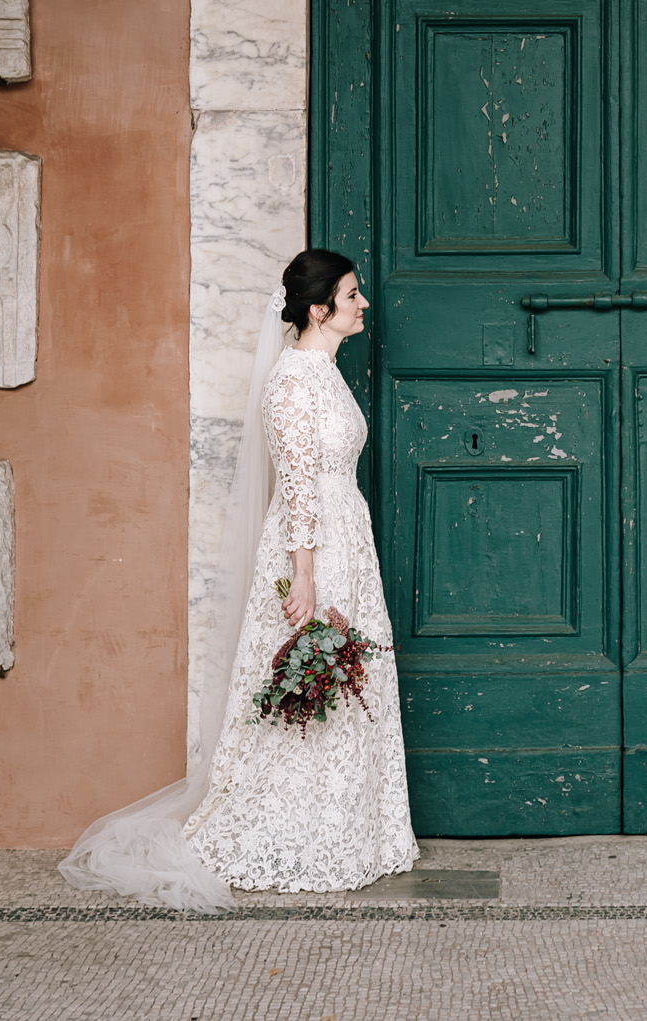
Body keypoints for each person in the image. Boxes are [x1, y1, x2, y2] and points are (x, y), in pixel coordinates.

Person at [59, 249, 417, 909]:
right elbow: (298, 484)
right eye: (351, 294)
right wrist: (302, 576)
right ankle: (291, 832)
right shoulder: (291, 381)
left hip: (347, 538)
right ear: (319, 309)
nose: (363, 303)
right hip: (313, 548)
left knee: (348, 678)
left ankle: (348, 829)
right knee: (313, 673)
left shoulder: (327, 373)